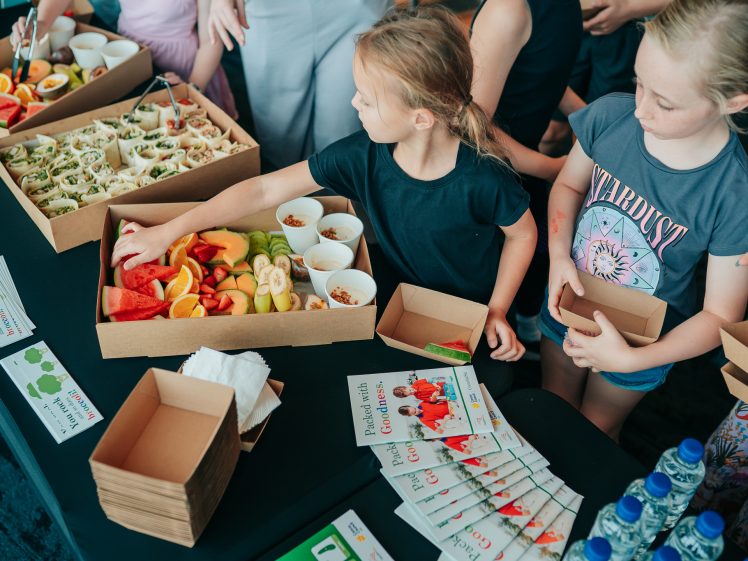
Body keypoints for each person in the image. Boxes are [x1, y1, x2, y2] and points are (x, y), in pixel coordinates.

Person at [111, 7, 538, 362]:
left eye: (366, 99)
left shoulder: (484, 176)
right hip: (398, 296)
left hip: (473, 312)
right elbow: (262, 191)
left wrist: (499, 309)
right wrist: (167, 230)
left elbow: (523, 234)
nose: (354, 103)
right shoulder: (358, 154)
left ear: (421, 118)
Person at [539, 0, 748, 440]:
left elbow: (719, 315)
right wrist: (559, 256)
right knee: (550, 404)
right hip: (569, 297)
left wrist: (631, 360)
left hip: (644, 341)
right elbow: (569, 187)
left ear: (733, 100)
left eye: (666, 104)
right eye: (639, 84)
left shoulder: (734, 193)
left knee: (595, 432)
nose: (641, 111)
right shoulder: (611, 116)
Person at [469, 0, 582, 359]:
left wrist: (591, 116)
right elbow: (474, 126)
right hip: (493, 168)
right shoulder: (509, 9)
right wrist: (553, 167)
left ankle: (528, 323)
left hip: (525, 157)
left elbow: (541, 67)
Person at [207, 0, 390, 170]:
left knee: (341, 133)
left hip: (355, 9)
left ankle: (338, 203)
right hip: (271, 12)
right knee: (280, 141)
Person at [11, 0, 237, 117]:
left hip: (183, 65)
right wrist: (40, 24)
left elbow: (210, 40)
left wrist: (192, 87)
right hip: (125, 57)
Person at [540, 0, 673, 155]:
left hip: (629, 30)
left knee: (597, 133)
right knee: (550, 133)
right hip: (571, 20)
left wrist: (631, 8)